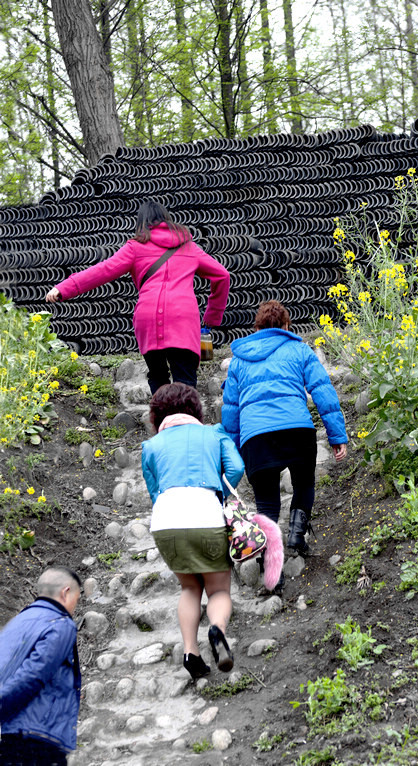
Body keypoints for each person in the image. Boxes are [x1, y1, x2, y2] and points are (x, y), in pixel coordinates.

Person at [221, 300, 348, 586]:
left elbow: (230, 410)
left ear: (256, 328)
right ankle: (296, 536)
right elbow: (322, 391)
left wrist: (231, 450)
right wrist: (336, 435)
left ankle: (270, 569)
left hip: (257, 439)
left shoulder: (240, 360)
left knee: (266, 504)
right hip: (297, 431)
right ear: (286, 326)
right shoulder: (299, 349)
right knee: (304, 485)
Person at [46, 200, 230, 393]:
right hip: (183, 319)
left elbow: (104, 270)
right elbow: (222, 275)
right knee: (185, 379)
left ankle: (162, 419)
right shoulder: (189, 247)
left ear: (141, 222)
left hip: (149, 319)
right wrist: (211, 318)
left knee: (158, 377)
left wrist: (64, 287)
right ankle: (186, 419)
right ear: (167, 219)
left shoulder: (135, 247)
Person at [141, 382, 245, 680]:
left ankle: (191, 653)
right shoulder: (213, 433)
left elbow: (154, 490)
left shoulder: (151, 446)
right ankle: (217, 630)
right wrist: (220, 493)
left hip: (166, 521)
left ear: (157, 414)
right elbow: (236, 467)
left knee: (189, 588)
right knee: (219, 590)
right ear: (195, 409)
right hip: (205, 513)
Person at [0, 566, 82, 766]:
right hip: (37, 739)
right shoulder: (60, 623)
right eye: (77, 600)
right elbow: (33, 675)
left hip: (8, 736)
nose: (74, 607)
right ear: (66, 592)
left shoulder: (15, 624)